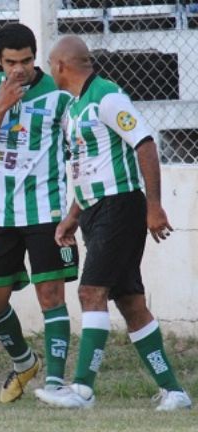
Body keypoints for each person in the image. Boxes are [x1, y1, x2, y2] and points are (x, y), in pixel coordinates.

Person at [35, 35, 192, 411]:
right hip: (96, 211)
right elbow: (88, 168)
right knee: (130, 301)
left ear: (60, 66)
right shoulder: (76, 107)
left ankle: (83, 390)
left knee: (91, 292)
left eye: (48, 64)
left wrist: (153, 206)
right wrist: (73, 215)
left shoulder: (108, 97)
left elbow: (145, 143)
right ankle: (175, 392)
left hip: (120, 207)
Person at [0, 23, 78, 402]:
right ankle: (24, 361)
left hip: (46, 210)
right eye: (11, 62)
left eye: (27, 60)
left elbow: (77, 150)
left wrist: (76, 208)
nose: (19, 69)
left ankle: (57, 384)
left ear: (35, 56)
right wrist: (1, 106)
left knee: (51, 295)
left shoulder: (60, 95)